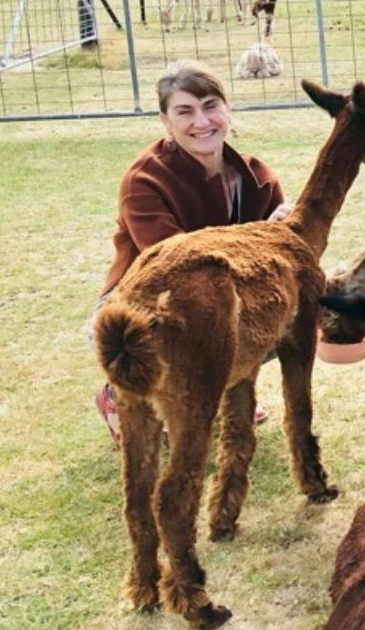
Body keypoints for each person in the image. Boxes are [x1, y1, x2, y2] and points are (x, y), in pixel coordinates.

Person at [93, 60, 287, 442]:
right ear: (165, 121)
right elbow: (176, 269)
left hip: (223, 294)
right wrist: (263, 234)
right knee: (183, 324)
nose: (202, 122)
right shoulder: (144, 180)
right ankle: (120, 393)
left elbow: (282, 261)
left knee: (285, 311)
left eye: (211, 106)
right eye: (185, 111)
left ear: (227, 110)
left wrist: (286, 234)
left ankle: (229, 389)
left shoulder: (256, 176)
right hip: (150, 301)